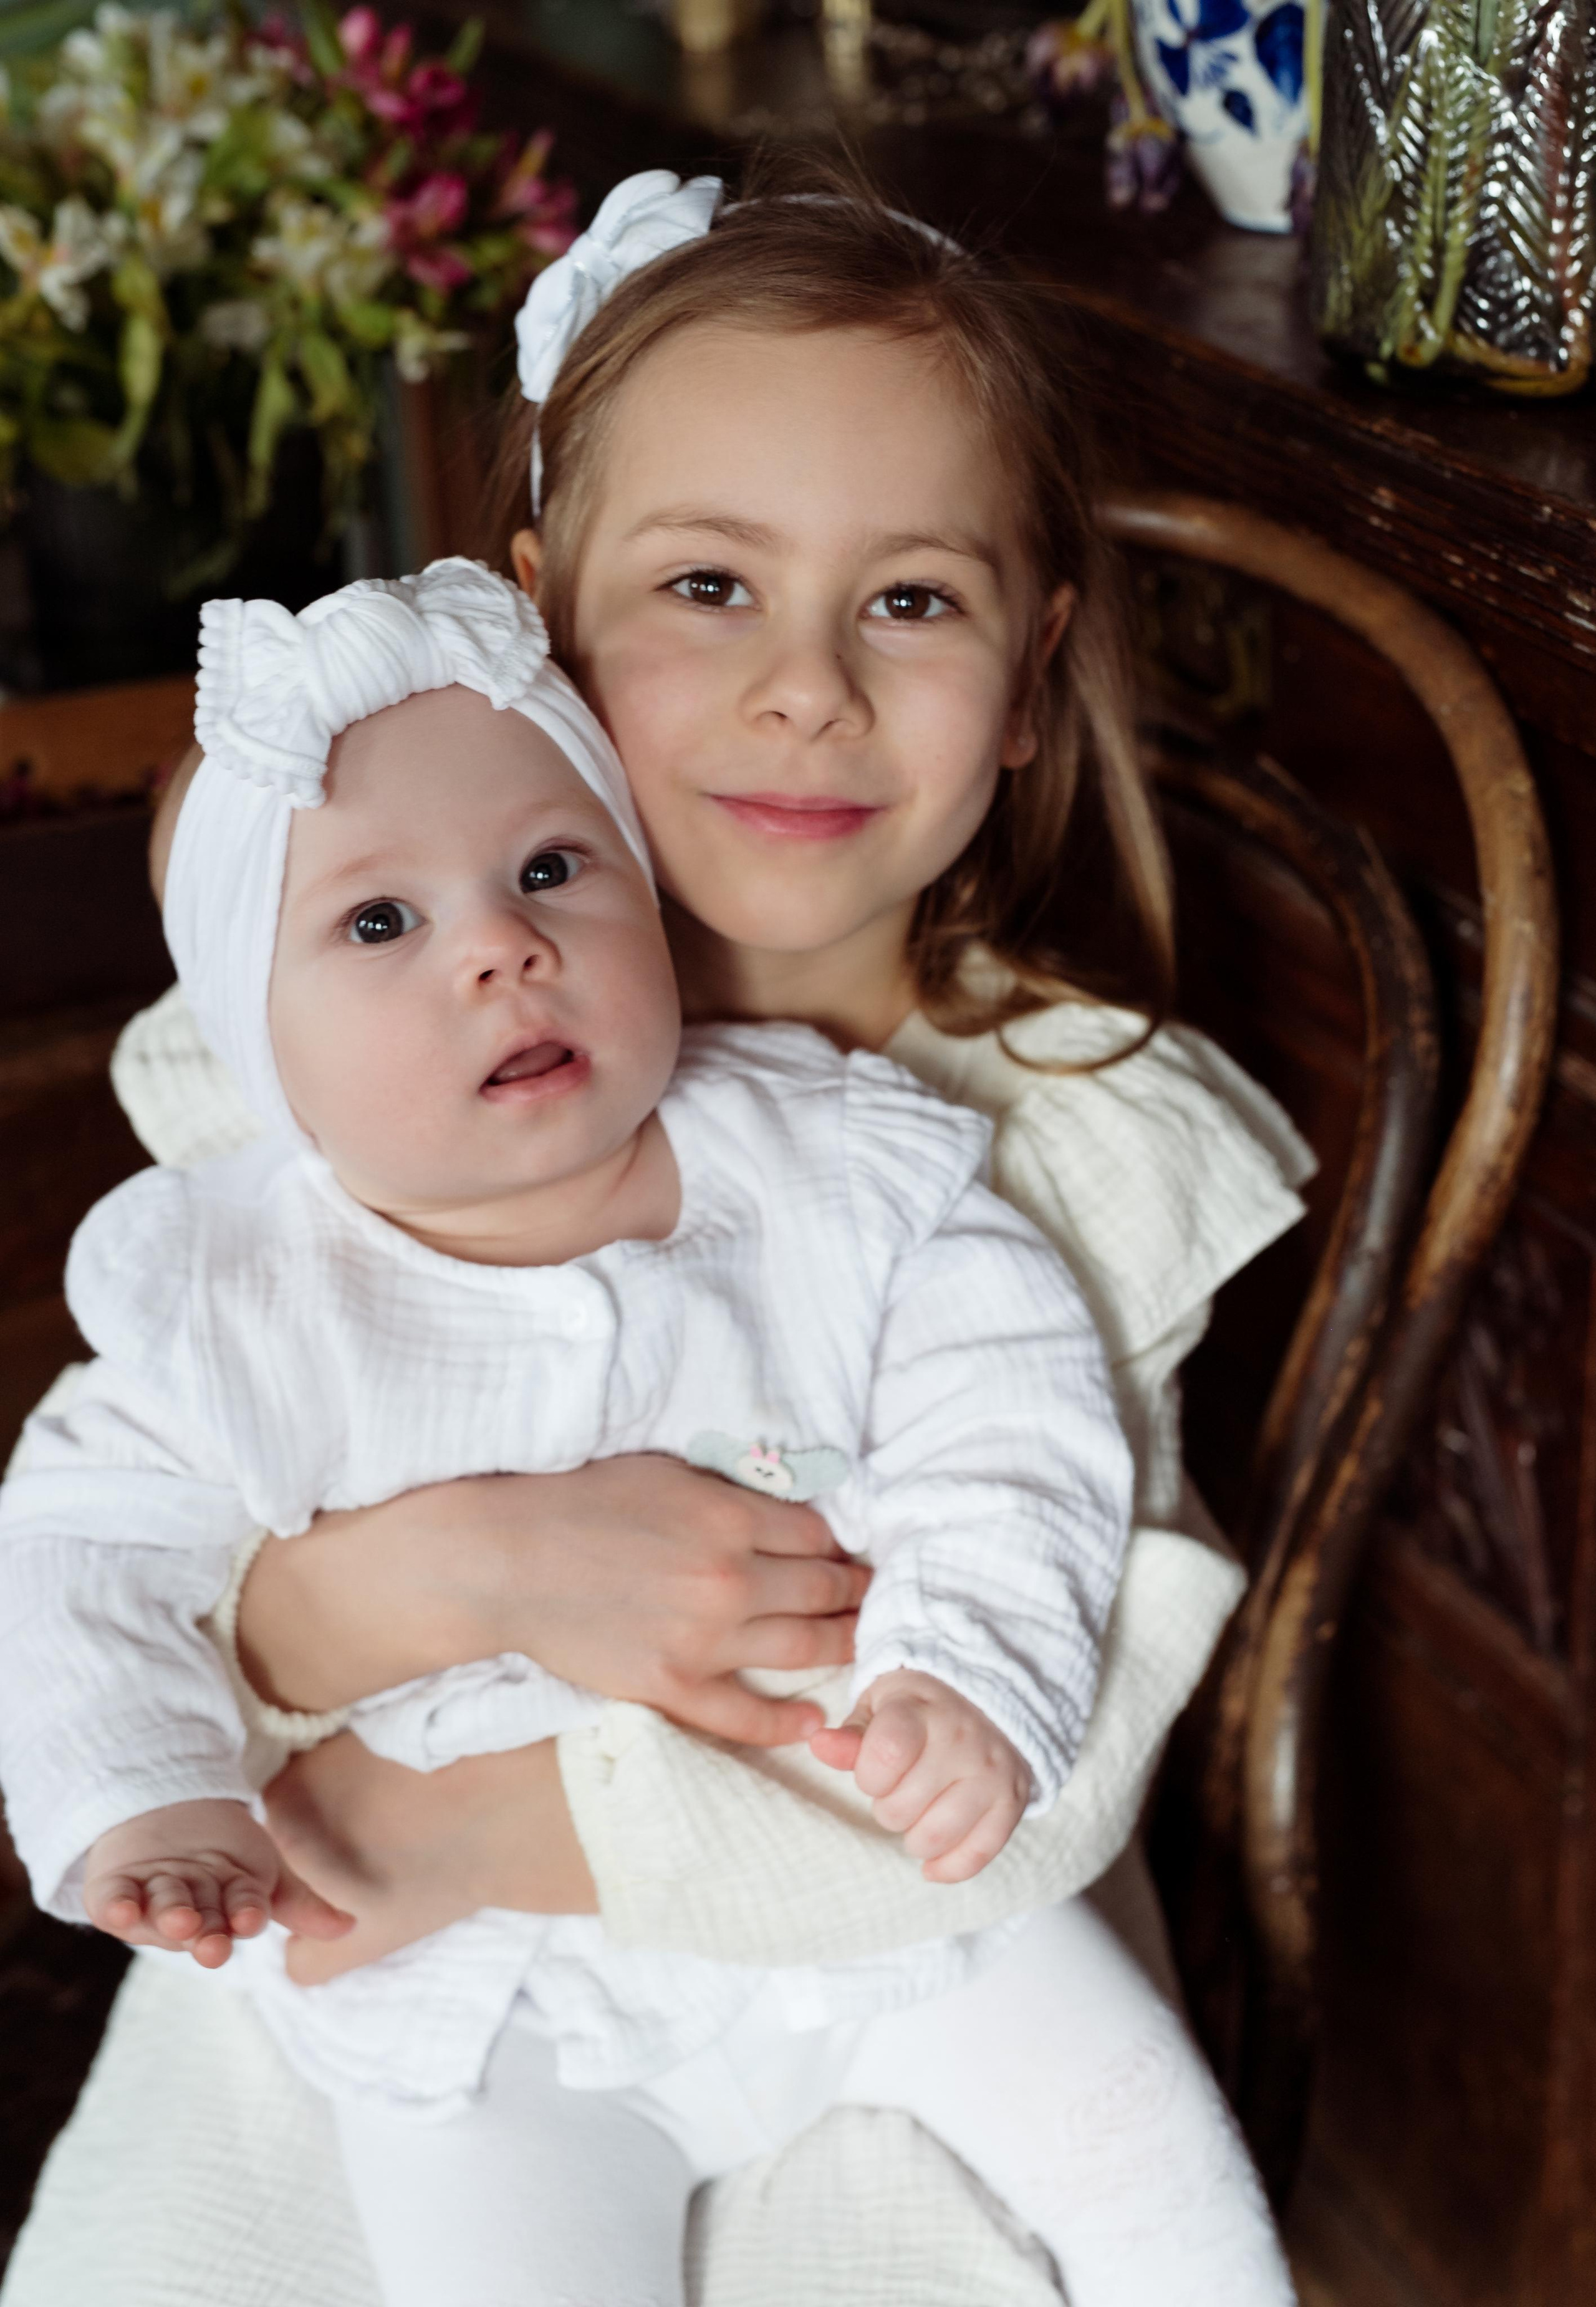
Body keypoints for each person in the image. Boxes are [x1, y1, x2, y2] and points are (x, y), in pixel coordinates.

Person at [1, 158, 1309, 2306]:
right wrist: (468, 1572)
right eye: (710, 586)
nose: (807, 691)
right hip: (357, 1952)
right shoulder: (333, 1039)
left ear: (1032, 652)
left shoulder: (1076, 1145)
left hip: (887, 1931)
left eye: (909, 600)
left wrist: (468, 1827)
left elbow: (1054, 1717)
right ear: (534, 611)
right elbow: (134, 1547)